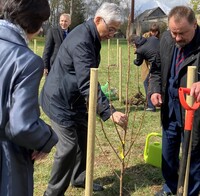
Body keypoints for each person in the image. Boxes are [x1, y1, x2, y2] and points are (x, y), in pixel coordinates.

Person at [40, 2, 128, 196]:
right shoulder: (83, 41)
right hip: (59, 100)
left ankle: (79, 178)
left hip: (74, 98)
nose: (112, 34)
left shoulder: (91, 34)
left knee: (83, 136)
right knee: (69, 146)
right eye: (111, 29)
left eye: (116, 31)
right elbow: (88, 82)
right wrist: (109, 111)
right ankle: (52, 193)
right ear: (98, 20)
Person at [0, 0, 58, 196]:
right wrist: (48, 138)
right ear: (34, 24)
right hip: (6, 162)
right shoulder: (26, 61)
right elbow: (22, 126)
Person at [149, 6, 200, 196]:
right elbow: (155, 69)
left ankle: (190, 191)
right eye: (174, 32)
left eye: (182, 33)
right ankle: (171, 187)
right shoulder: (166, 40)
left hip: (194, 113)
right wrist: (154, 90)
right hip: (170, 109)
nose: (177, 38)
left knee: (193, 157)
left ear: (194, 25)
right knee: (168, 155)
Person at [133, 35, 159, 111]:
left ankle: (151, 106)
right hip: (167, 59)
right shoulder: (152, 38)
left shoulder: (140, 50)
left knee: (147, 82)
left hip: (157, 65)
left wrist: (134, 60)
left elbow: (138, 62)